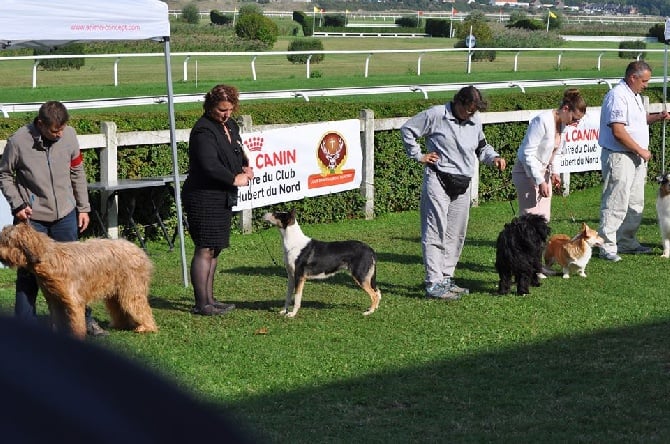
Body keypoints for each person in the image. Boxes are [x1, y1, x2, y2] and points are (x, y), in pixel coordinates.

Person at [0, 101, 107, 336]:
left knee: (75, 272)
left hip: (66, 215)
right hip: (32, 220)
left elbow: (77, 171)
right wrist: (17, 203)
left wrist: (83, 207)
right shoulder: (18, 141)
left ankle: (84, 320)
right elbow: (5, 174)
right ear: (40, 124)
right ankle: (24, 327)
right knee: (29, 274)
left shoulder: (69, 136)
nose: (59, 134)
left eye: (62, 129)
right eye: (54, 130)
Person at [401, 86, 507, 300]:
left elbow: (481, 148)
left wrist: (493, 157)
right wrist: (419, 155)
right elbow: (407, 130)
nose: (471, 114)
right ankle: (433, 283)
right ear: (458, 102)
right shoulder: (436, 114)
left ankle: (446, 278)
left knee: (456, 234)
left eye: (474, 111)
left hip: (463, 183)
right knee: (434, 232)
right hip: (438, 180)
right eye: (469, 110)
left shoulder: (475, 120)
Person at [182, 84, 254, 316]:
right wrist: (234, 178)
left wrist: (244, 166)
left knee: (215, 248)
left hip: (222, 196)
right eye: (222, 110)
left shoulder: (230, 125)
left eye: (230, 109)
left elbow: (235, 150)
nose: (227, 114)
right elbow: (209, 165)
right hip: (203, 196)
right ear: (210, 106)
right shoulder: (203, 131)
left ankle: (211, 299)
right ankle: (201, 303)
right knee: (204, 248)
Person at [598, 61, 669, 262]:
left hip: (636, 157)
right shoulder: (617, 96)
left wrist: (657, 117)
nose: (646, 84)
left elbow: (639, 120)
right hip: (620, 156)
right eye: (644, 81)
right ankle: (607, 245)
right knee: (615, 201)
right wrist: (640, 150)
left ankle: (626, 241)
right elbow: (618, 130)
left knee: (635, 202)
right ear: (633, 77)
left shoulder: (634, 96)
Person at [512, 88, 587, 222]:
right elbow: (526, 154)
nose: (575, 124)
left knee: (544, 219)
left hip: (543, 174)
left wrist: (555, 173)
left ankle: (540, 243)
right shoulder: (542, 121)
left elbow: (556, 152)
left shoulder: (564, 125)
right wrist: (539, 181)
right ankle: (522, 243)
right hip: (526, 172)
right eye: (574, 119)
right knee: (529, 220)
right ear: (565, 108)